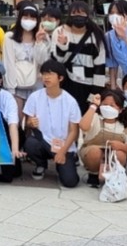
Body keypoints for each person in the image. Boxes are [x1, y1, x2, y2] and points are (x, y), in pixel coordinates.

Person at [22, 59, 81, 187]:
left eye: (50, 74)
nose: (46, 77)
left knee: (70, 181)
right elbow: (27, 123)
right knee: (30, 143)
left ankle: (65, 163)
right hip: (42, 141)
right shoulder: (35, 97)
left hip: (63, 145)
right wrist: (29, 123)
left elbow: (74, 131)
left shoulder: (70, 101)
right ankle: (40, 164)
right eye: (44, 74)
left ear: (60, 78)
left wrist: (63, 151)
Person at [51, 1, 107, 112]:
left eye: (82, 14)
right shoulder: (60, 32)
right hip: (67, 84)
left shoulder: (96, 35)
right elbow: (56, 62)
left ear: (88, 16)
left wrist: (94, 94)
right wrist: (62, 46)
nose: (78, 17)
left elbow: (100, 67)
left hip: (87, 85)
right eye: (75, 14)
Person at [78, 89, 127, 188]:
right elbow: (83, 126)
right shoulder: (95, 117)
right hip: (91, 152)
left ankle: (113, 176)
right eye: (104, 104)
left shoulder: (125, 126)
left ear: (120, 109)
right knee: (94, 152)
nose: (107, 108)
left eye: (112, 105)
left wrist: (122, 146)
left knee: (121, 154)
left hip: (113, 154)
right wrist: (93, 106)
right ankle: (93, 173)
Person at [2, 5, 50, 115]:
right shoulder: (10, 37)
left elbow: (43, 61)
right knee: (16, 120)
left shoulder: (43, 37)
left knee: (33, 121)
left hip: (36, 85)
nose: (29, 21)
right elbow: (8, 63)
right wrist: (10, 90)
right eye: (26, 17)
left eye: (32, 18)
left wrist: (38, 42)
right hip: (16, 86)